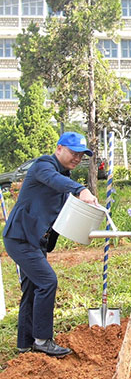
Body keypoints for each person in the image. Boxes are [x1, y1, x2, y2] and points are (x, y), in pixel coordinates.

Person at [3, 132, 98, 357]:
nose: (77, 158)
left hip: (35, 241)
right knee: (47, 282)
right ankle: (43, 340)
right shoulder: (44, 165)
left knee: (32, 288)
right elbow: (55, 181)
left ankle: (25, 343)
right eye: (73, 153)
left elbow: (63, 213)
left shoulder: (63, 174)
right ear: (59, 149)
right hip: (20, 237)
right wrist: (80, 189)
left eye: (81, 155)